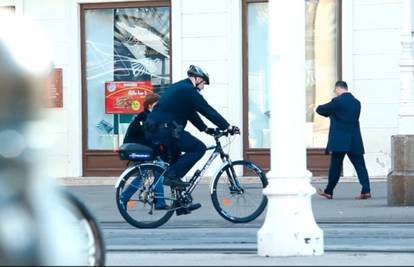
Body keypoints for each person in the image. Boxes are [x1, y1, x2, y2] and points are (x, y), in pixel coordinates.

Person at [145, 65, 240, 211]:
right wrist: (227, 126)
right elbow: (206, 110)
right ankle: (171, 176)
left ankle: (180, 204)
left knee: (177, 162)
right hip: (165, 130)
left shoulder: (181, 88)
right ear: (198, 79)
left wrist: (206, 129)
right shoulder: (188, 90)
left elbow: (191, 113)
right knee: (198, 148)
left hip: (159, 129)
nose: (203, 87)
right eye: (203, 84)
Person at [315, 80, 371, 200]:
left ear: (337, 89)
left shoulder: (337, 101)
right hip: (354, 139)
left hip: (340, 141)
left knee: (335, 167)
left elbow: (320, 110)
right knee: (360, 166)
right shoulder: (357, 103)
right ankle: (366, 190)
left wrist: (330, 112)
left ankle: (329, 191)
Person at [120, 93, 170, 210]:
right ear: (150, 105)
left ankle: (159, 202)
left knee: (153, 172)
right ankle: (124, 198)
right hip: (140, 150)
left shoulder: (149, 116)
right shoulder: (144, 117)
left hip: (144, 149)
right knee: (154, 171)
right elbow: (149, 138)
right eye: (157, 105)